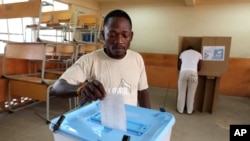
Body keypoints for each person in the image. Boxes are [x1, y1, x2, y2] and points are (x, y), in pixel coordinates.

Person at [51, 9, 151, 108]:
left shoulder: (137, 59)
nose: (119, 41)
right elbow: (57, 87)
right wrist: (80, 88)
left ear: (131, 36)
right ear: (103, 35)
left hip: (131, 121)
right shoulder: (90, 60)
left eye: (125, 35)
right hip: (100, 121)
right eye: (112, 35)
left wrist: (150, 118)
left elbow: (142, 92)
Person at [177, 46, 202, 114]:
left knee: (181, 92)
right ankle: (189, 111)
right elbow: (199, 67)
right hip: (193, 73)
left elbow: (179, 66)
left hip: (183, 73)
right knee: (191, 93)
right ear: (194, 49)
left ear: (187, 49)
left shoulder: (182, 53)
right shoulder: (199, 54)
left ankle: (180, 110)